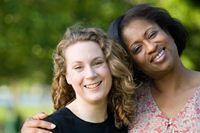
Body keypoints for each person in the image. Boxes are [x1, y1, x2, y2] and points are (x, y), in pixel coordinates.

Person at [21, 4, 200, 133]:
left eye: (152, 34)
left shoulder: (121, 111)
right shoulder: (133, 101)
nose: (151, 47)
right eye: (137, 48)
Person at [21, 27, 136, 133]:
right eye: (78, 67)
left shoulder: (128, 123)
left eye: (97, 63)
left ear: (111, 67)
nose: (90, 74)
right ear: (67, 77)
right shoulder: (48, 129)